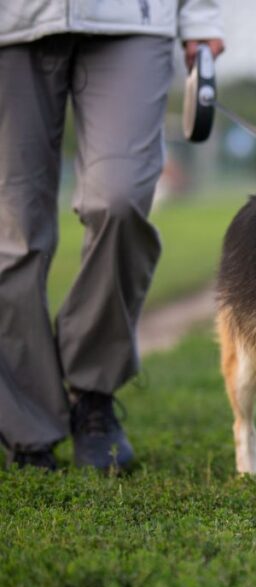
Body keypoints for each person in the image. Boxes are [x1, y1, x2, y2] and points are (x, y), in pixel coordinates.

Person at [0, 1, 224, 470]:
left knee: (118, 202)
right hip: (11, 27)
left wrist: (201, 18)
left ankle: (93, 393)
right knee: (14, 229)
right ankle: (26, 428)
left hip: (131, 19)